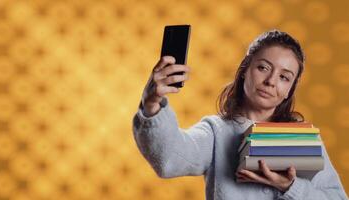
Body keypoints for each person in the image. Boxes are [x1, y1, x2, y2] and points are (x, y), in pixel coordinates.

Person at [132, 30, 348, 200]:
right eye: (263, 67)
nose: (271, 81)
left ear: (290, 90)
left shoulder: (303, 141)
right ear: (245, 69)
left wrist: (290, 187)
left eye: (284, 77)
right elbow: (169, 158)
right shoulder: (216, 131)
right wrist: (152, 104)